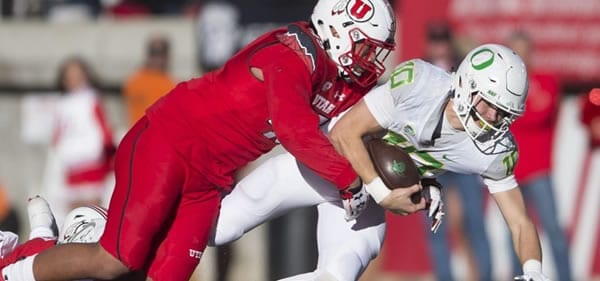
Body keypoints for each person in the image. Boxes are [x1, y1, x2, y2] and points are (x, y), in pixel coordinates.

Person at [0, 1, 399, 280]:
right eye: (366, 46)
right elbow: (297, 131)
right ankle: (15, 268)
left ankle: (52, 245)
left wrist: (419, 176)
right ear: (337, 30)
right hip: (169, 145)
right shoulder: (291, 53)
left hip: (209, 181)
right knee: (114, 260)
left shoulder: (337, 78)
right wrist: (350, 180)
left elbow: (370, 127)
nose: (371, 60)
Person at [209, 43, 551, 281]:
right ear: (466, 83)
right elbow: (345, 132)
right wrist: (384, 192)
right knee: (219, 227)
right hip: (328, 165)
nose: (492, 118)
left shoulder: (496, 148)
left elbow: (519, 220)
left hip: (365, 200)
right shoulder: (420, 84)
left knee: (335, 276)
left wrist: (534, 269)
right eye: (488, 103)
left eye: (504, 113)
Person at [422, 23, 492, 281]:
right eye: (435, 40)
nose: (439, 46)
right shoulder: (421, 71)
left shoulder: (465, 70)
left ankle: (485, 276)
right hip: (432, 157)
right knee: (435, 224)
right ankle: (444, 277)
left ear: (450, 43)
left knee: (475, 222)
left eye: (443, 40)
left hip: (463, 155)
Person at [507, 30, 572, 281]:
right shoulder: (505, 83)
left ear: (530, 53)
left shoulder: (546, 81)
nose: (518, 58)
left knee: (553, 230)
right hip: (511, 171)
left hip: (538, 170)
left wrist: (513, 112)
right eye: (513, 52)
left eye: (521, 51)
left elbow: (539, 114)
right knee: (515, 233)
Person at [50, 57, 116, 214]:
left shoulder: (91, 99)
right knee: (73, 211)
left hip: (92, 163)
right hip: (72, 165)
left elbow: (104, 129)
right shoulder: (63, 104)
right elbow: (58, 134)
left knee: (93, 209)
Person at [123, 34, 176, 125]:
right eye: (154, 53)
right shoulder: (134, 82)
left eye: (161, 54)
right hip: (140, 135)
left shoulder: (171, 84)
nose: (157, 59)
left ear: (167, 57)